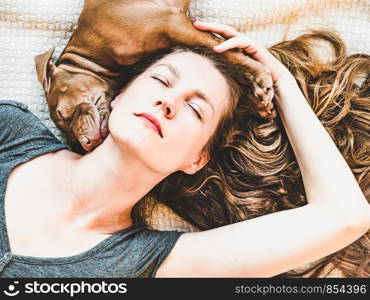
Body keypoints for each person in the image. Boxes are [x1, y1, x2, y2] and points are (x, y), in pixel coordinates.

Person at [0, 21, 369, 278]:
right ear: (120, 96)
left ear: (197, 158)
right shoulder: (11, 130)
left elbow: (344, 216)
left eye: (196, 109)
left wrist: (279, 81)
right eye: (162, 80)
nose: (168, 102)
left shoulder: (148, 264)